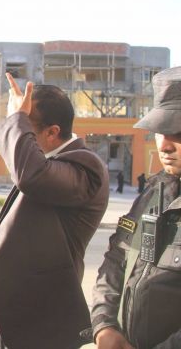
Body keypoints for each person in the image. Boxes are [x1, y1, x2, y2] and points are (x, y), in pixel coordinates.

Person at [0, 73, 109, 348]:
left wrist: (16, 119)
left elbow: (31, 176)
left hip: (44, 326)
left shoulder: (85, 167)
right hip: (15, 314)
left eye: (25, 128)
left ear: (52, 132)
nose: (20, 134)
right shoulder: (46, 163)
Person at [91, 66, 181, 349]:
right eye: (160, 131)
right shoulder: (154, 192)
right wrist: (104, 325)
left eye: (177, 132)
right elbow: (117, 257)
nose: (164, 145)